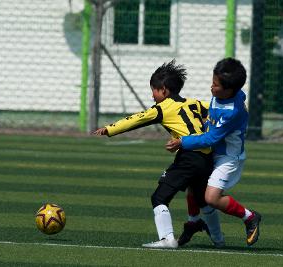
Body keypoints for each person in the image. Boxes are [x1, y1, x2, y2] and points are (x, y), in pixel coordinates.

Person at [93, 60, 224, 249]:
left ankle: (167, 239)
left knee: (159, 197)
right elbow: (216, 108)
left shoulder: (163, 108)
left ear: (164, 90)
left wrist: (109, 129)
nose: (152, 95)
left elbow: (137, 119)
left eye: (154, 90)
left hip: (189, 158)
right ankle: (219, 240)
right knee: (202, 200)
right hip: (207, 158)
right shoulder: (193, 103)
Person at [166, 58, 262, 246]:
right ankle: (193, 223)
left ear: (229, 90)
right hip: (212, 152)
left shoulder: (231, 111)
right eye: (212, 82)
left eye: (216, 85)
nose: (211, 87)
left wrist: (182, 141)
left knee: (211, 198)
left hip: (227, 157)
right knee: (193, 184)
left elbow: (211, 138)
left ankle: (250, 217)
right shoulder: (226, 94)